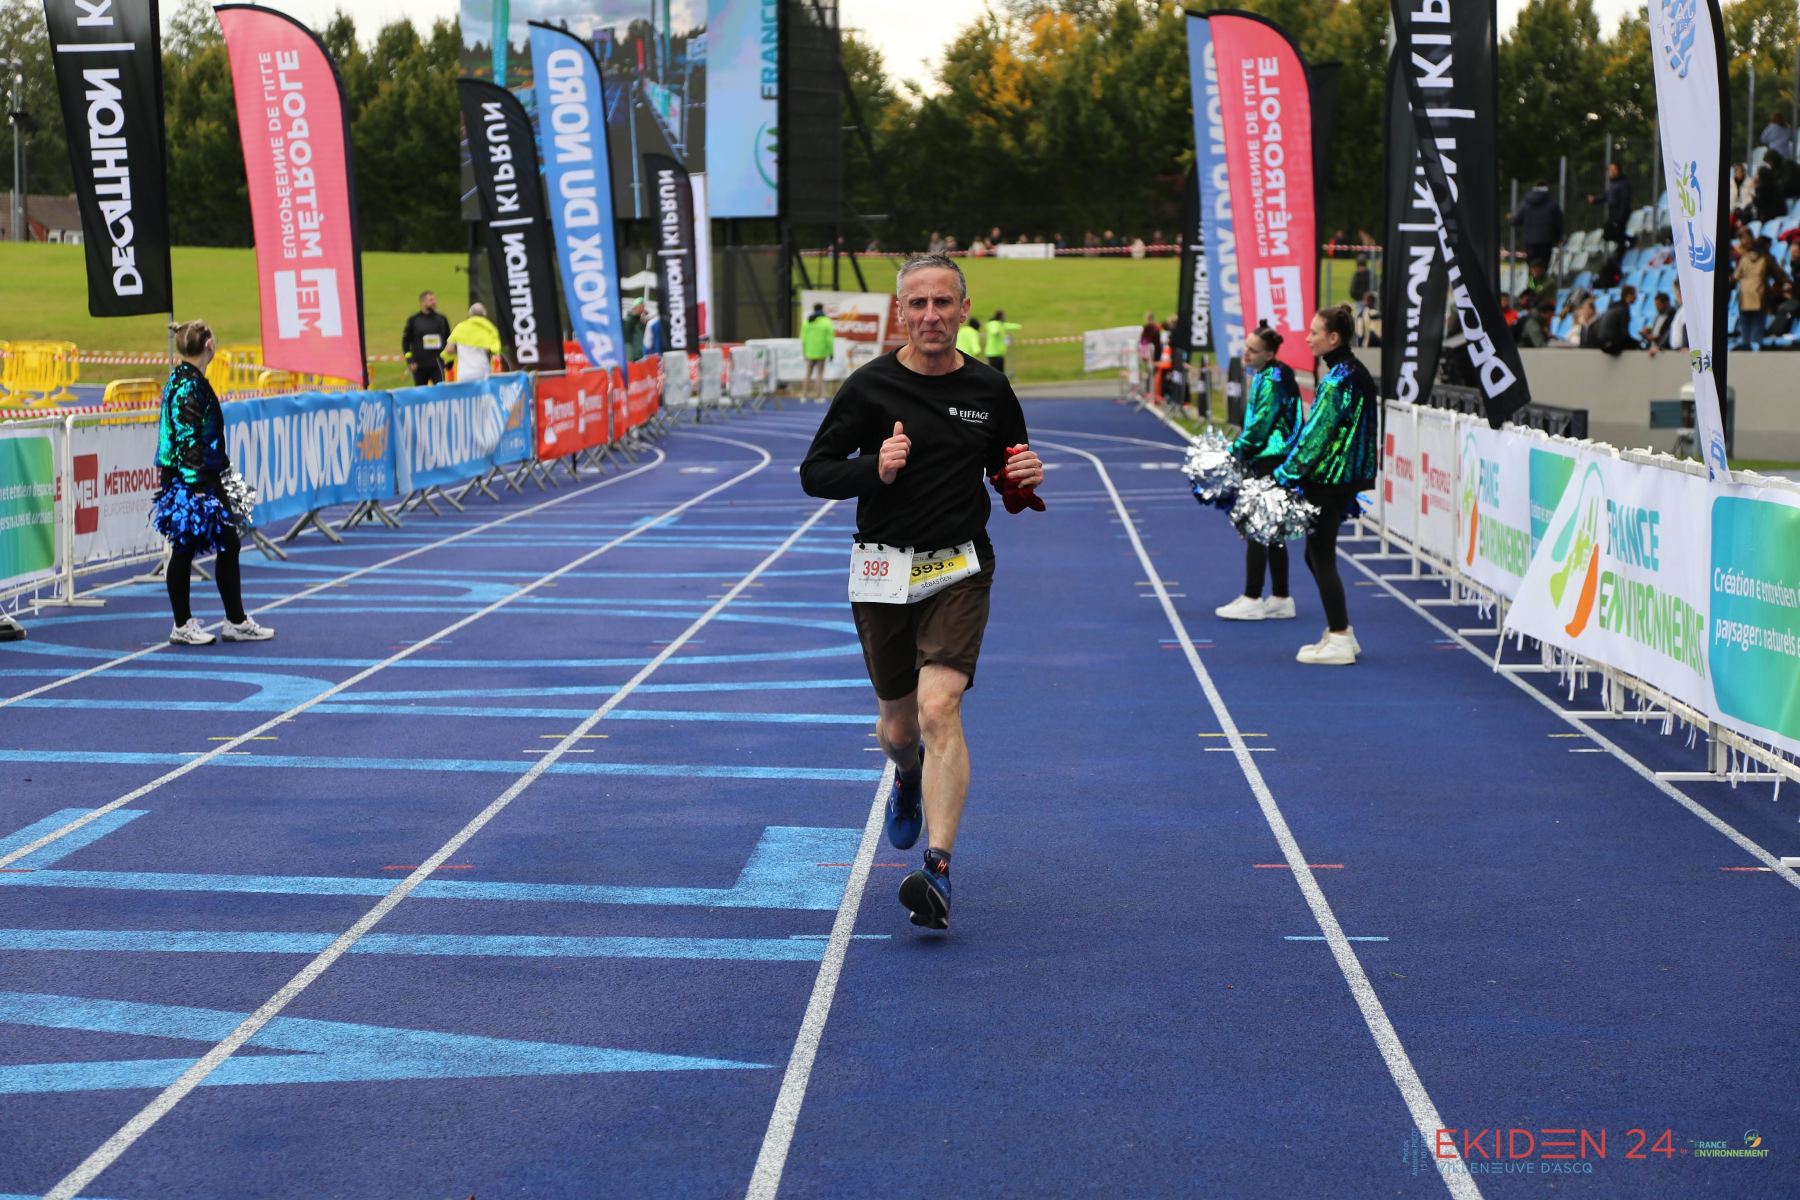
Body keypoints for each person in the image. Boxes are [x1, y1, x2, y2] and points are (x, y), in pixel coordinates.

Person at [799, 253, 1045, 931]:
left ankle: (937, 869)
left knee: (940, 708)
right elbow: (815, 473)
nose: (931, 315)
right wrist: (874, 469)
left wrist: (1023, 478)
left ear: (965, 309)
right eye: (918, 304)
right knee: (900, 729)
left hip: (959, 566)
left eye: (942, 302)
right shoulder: (869, 387)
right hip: (882, 570)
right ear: (900, 312)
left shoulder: (990, 389)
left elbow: (1009, 478)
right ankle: (906, 776)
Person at [150, 320, 274, 646]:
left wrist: (219, 475)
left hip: (203, 475)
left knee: (228, 544)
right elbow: (188, 440)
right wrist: (198, 488)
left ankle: (235, 621)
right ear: (209, 346)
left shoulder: (190, 380)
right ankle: (182, 624)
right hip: (190, 479)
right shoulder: (188, 386)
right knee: (184, 548)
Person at [1271, 306, 1377, 666]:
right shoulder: (1350, 371)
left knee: (1321, 554)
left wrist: (1285, 475)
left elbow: (1316, 435)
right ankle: (1341, 632)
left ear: (1333, 338)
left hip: (1329, 481)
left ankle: (1339, 635)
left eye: (1315, 332)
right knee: (1314, 554)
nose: (1308, 338)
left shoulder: (1338, 380)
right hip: (1340, 478)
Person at [1215, 326, 1300, 623]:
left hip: (1270, 460)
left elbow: (1260, 427)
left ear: (1270, 353)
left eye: (1253, 349)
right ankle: (1281, 597)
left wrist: (1233, 452)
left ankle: (1252, 598)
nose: (1246, 353)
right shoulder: (1270, 374)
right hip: (1273, 459)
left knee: (1258, 527)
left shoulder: (1273, 379)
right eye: (1246, 347)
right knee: (1274, 531)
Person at [1511, 180, 1564, 271]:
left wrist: (1510, 218)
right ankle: (1542, 280)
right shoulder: (1553, 203)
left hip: (1530, 241)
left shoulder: (1525, 203)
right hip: (1546, 241)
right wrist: (1558, 238)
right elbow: (1559, 222)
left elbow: (1515, 221)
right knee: (1543, 266)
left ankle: (1531, 280)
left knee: (1532, 267)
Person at [402, 290, 451, 386]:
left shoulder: (442, 319)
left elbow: (448, 340)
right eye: (431, 300)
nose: (434, 302)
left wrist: (449, 360)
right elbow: (405, 342)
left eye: (434, 300)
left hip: (437, 364)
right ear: (423, 302)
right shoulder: (413, 320)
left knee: (440, 391)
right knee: (421, 393)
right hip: (419, 365)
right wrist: (410, 359)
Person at [1734, 232, 1773, 350]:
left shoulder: (1745, 258)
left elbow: (1736, 275)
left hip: (1744, 292)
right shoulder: (1765, 258)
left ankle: (1745, 342)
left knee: (1745, 320)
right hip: (1758, 291)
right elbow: (1777, 273)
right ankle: (1756, 343)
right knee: (1758, 319)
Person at [447, 303, 502, 382]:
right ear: (484, 316)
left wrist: (461, 348)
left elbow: (449, 349)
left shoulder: (459, 327)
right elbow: (494, 350)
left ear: (469, 315)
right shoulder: (488, 329)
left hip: (463, 373)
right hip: (482, 371)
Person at [1587, 162, 1632, 248]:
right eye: (1609, 169)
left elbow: (1625, 201)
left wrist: (1621, 216)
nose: (1611, 172)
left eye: (1613, 169)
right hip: (1613, 214)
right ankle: (1629, 241)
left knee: (1611, 233)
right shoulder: (1613, 183)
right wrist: (1595, 200)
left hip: (1620, 215)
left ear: (1618, 170)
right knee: (1611, 235)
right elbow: (1607, 196)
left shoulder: (1624, 183)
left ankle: (1629, 241)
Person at [1587, 285, 1637, 355]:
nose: (1636, 298)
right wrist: (1637, 343)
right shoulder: (1623, 309)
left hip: (1602, 344)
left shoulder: (1613, 306)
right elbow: (1624, 334)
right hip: (1611, 345)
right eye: (1635, 295)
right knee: (1636, 345)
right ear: (1629, 295)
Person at [801, 302, 835, 401]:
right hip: (821, 352)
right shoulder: (827, 321)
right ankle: (818, 397)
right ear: (822, 309)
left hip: (809, 351)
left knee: (808, 374)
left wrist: (804, 351)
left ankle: (804, 396)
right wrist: (831, 352)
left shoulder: (807, 321)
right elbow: (829, 339)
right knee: (819, 374)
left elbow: (803, 338)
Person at [984, 309, 1022, 374]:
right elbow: (994, 330)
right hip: (993, 353)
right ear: (1000, 316)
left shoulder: (1001, 324)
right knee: (994, 373)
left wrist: (1018, 326)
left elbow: (1010, 326)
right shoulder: (993, 323)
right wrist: (996, 332)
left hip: (1000, 353)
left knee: (1000, 373)